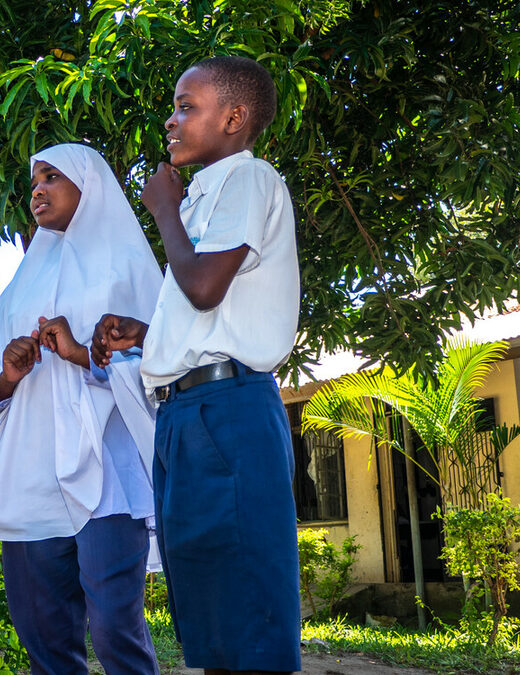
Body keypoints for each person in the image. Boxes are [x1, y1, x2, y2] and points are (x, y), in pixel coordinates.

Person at [92, 56, 301, 674]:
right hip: (188, 414)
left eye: (188, 107)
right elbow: (211, 315)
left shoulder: (249, 178)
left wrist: (161, 209)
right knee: (210, 613)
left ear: (234, 118)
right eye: (175, 106)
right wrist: (148, 338)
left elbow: (205, 286)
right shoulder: (207, 196)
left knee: (247, 614)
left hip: (227, 414)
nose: (172, 119)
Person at [0, 143, 163, 675]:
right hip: (29, 479)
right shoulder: (22, 282)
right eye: (34, 179)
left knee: (115, 630)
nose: (37, 189)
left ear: (90, 185)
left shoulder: (127, 265)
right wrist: (8, 376)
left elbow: (165, 365)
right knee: (46, 638)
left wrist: (81, 354)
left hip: (108, 477)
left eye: (52, 176)